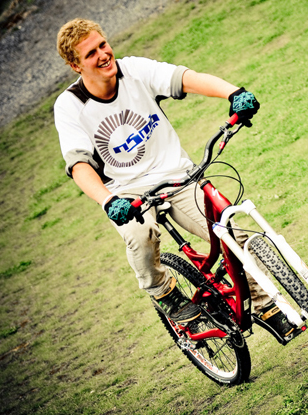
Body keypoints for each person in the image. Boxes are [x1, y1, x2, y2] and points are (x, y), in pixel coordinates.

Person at [54, 18, 294, 340]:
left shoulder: (134, 70)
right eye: (90, 53)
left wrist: (233, 93)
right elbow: (79, 165)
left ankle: (268, 307)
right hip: (126, 194)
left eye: (102, 45)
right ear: (74, 65)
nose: (103, 54)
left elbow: (186, 78)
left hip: (176, 177)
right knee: (139, 236)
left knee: (231, 234)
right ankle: (164, 292)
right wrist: (108, 200)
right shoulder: (70, 106)